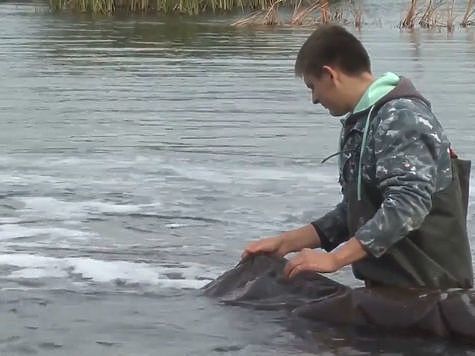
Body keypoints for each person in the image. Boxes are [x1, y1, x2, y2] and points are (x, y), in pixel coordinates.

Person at [242, 24, 473, 290]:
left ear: (330, 75)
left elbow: (407, 205)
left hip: (432, 293)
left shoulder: (401, 117)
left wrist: (334, 260)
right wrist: (286, 243)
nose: (314, 99)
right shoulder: (363, 123)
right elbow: (355, 211)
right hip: (391, 289)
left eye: (312, 86)